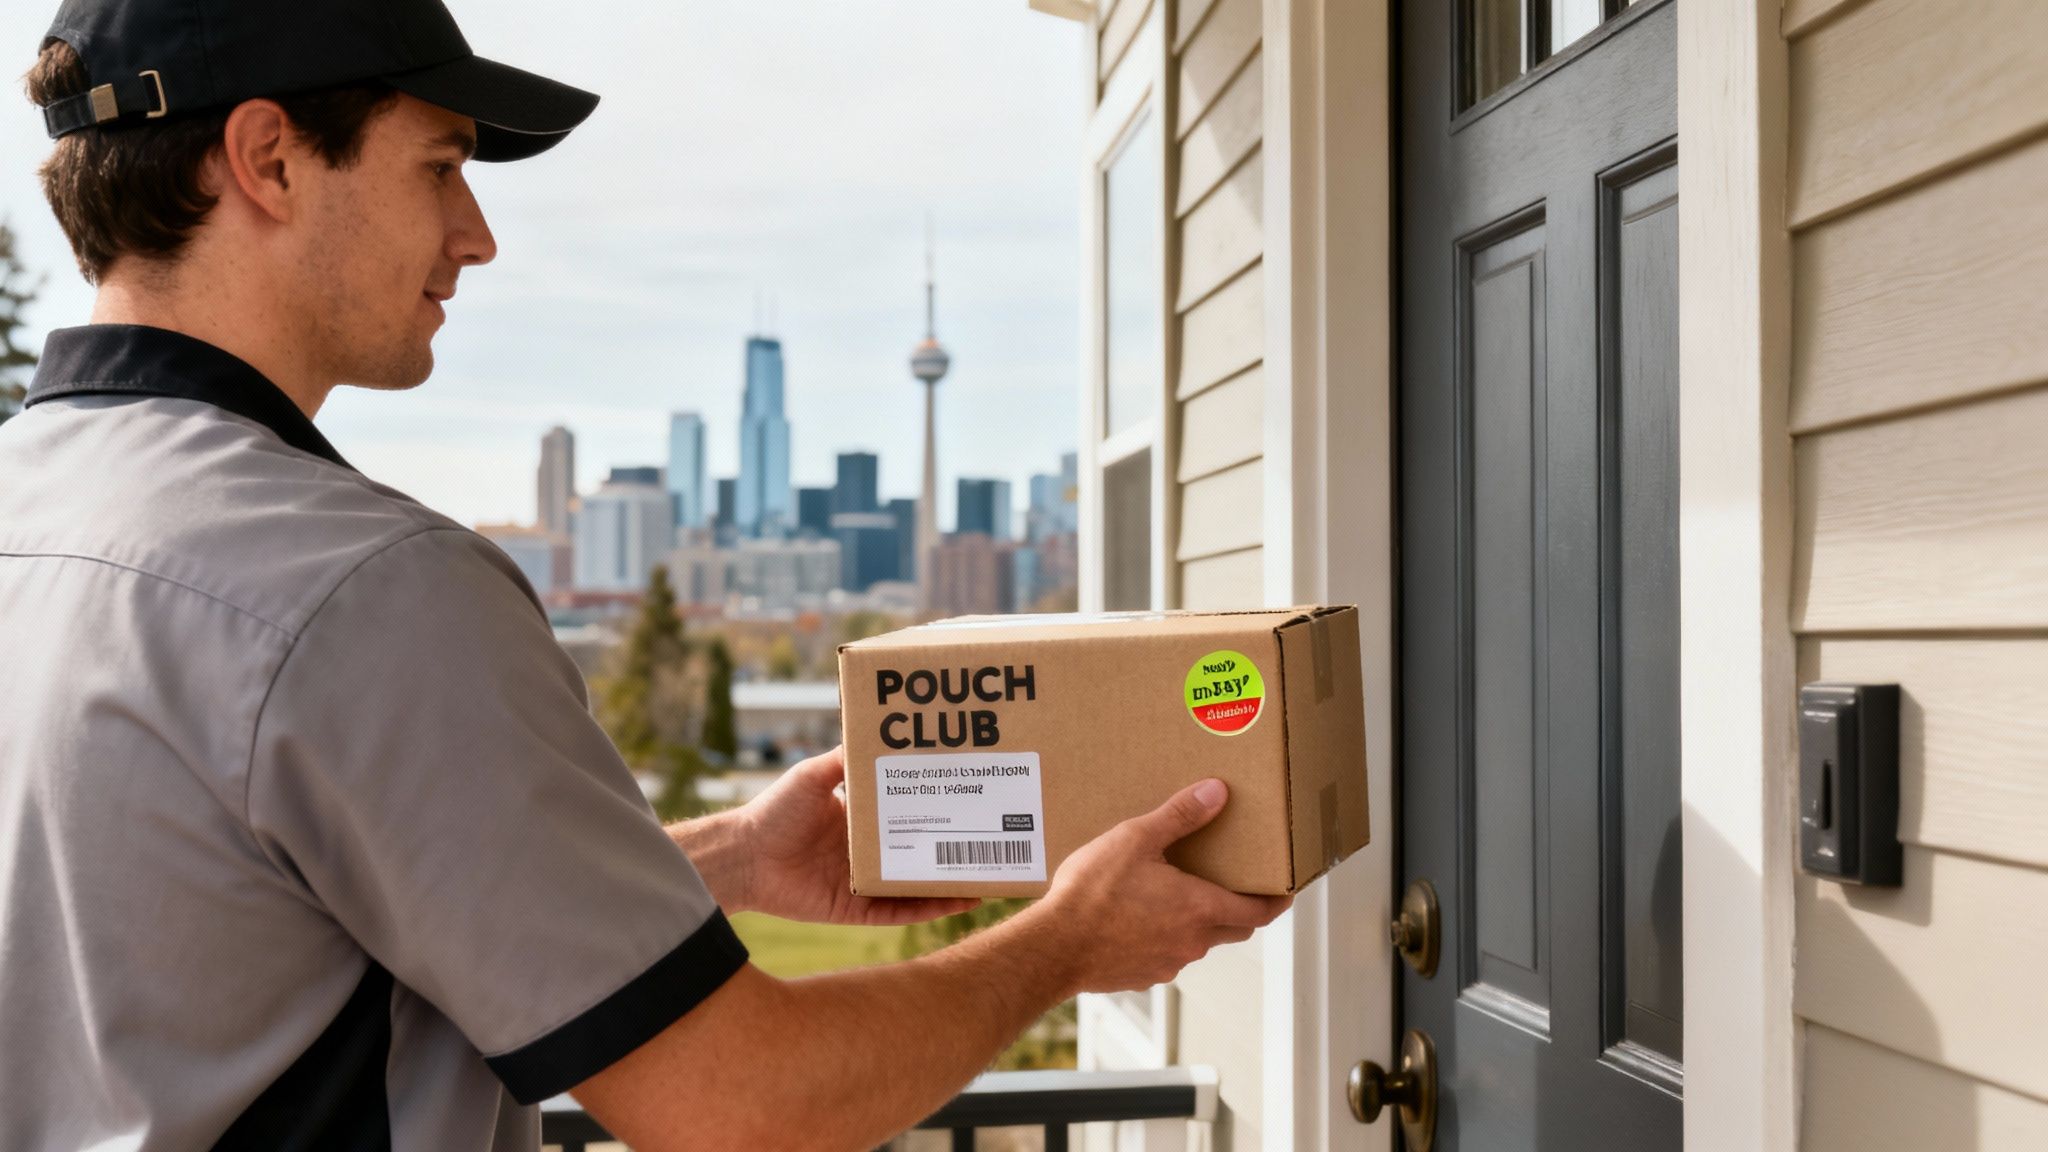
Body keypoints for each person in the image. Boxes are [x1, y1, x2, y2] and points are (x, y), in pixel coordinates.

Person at [0, 2, 1291, 1150]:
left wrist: (717, 856)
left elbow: (206, 927)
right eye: (441, 165)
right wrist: (1066, 941)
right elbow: (746, 1104)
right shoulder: (357, 582)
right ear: (271, 159)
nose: (478, 234)